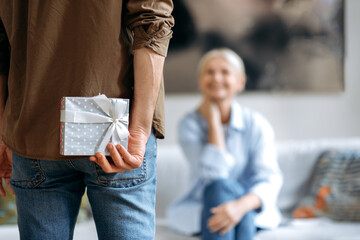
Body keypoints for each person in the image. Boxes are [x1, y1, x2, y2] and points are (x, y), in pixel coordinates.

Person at [0, 1, 173, 239]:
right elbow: (153, 21)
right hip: (117, 126)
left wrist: (3, 131)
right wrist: (140, 130)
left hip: (33, 126)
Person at [166, 48, 283, 240]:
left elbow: (269, 180)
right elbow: (215, 176)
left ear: (240, 82)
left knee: (238, 209)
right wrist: (214, 122)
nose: (216, 78)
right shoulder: (189, 124)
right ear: (200, 81)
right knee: (219, 189)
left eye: (225, 72)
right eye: (209, 72)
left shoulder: (257, 124)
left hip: (247, 204)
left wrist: (239, 207)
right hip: (205, 205)